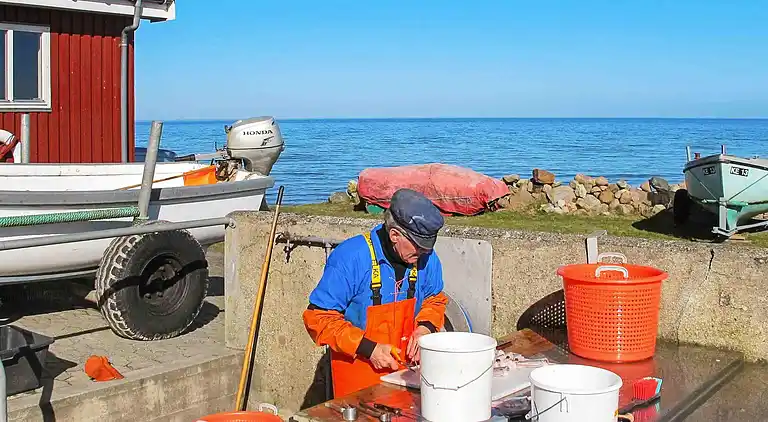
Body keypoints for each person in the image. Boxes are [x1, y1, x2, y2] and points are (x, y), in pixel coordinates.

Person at [302, 188, 449, 398]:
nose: (425, 253)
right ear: (395, 235)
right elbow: (318, 318)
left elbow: (435, 300)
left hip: (408, 379)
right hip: (358, 383)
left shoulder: (426, 258)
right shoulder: (350, 258)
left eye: (428, 247)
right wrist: (368, 348)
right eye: (419, 247)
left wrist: (425, 328)